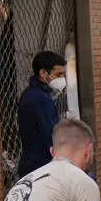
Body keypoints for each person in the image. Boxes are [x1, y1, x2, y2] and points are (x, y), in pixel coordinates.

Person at [16, 51, 67, 179]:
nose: (62, 79)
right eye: (58, 74)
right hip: (42, 168)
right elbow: (51, 137)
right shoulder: (41, 99)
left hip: (33, 165)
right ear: (43, 73)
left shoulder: (30, 93)